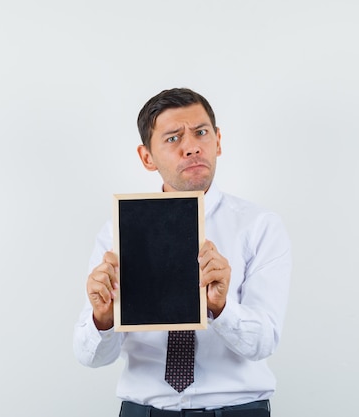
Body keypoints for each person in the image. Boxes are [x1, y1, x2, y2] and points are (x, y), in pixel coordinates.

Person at [73, 88, 291, 417]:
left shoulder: (260, 226)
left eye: (201, 133)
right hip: (144, 411)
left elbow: (264, 343)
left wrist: (220, 306)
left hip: (238, 410)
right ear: (147, 157)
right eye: (173, 138)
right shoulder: (117, 231)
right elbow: (91, 357)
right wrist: (102, 319)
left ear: (218, 141)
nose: (191, 147)